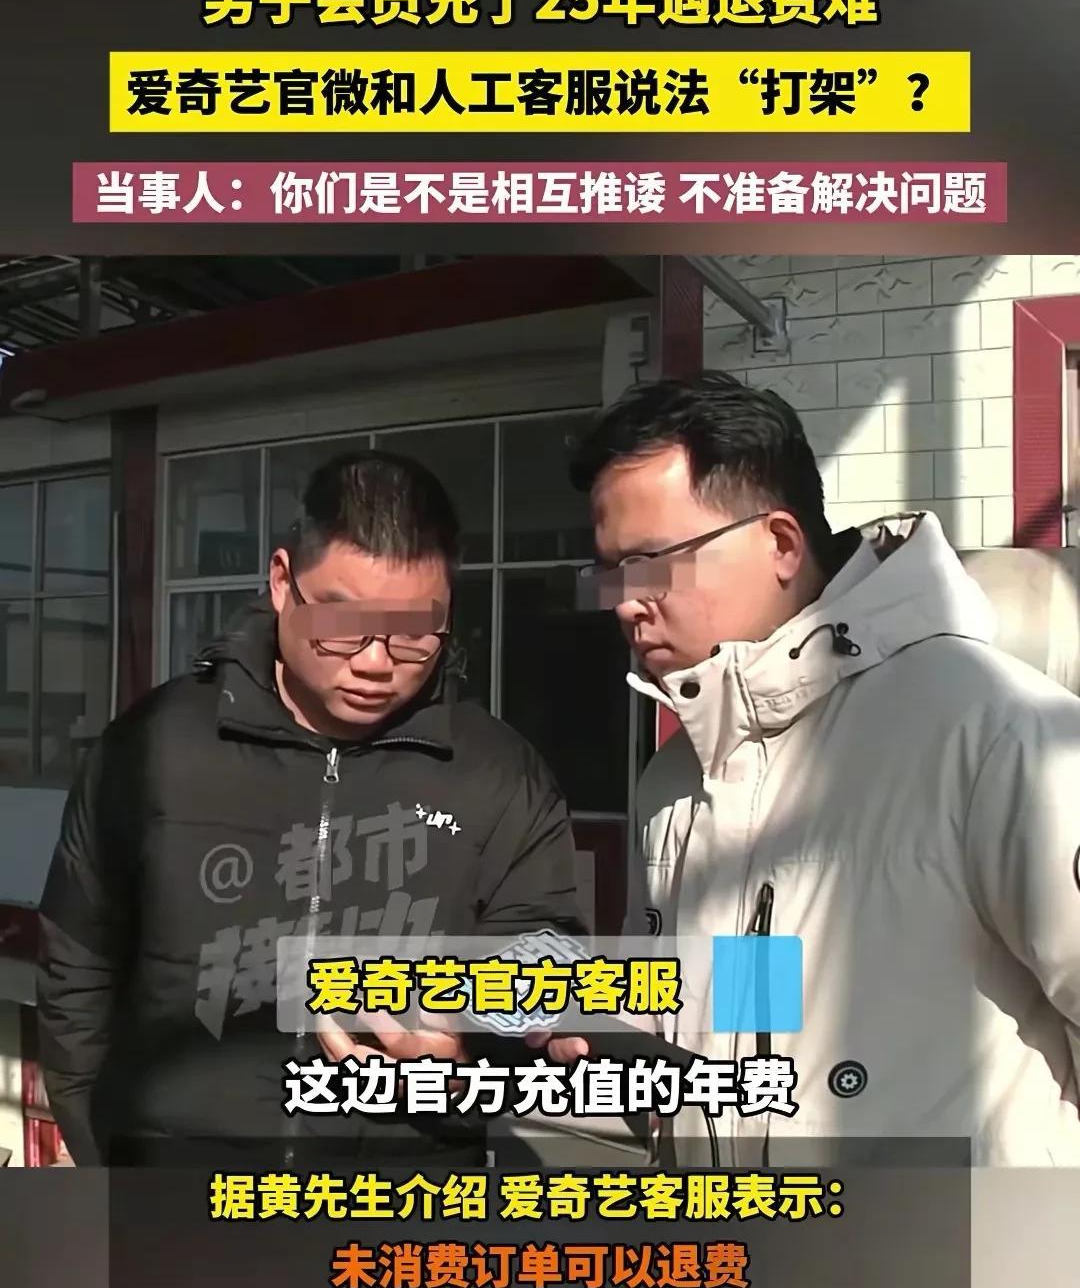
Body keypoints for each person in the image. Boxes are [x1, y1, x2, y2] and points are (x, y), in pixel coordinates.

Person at [555, 370, 1080, 1166]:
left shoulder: (997, 732)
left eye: (651, 563)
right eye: (611, 573)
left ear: (780, 543)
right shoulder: (679, 776)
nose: (628, 603)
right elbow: (749, 1015)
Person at [37, 450, 587, 1167]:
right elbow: (78, 963)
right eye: (344, 622)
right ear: (281, 581)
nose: (375, 662)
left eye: (415, 630)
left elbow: (546, 972)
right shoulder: (154, 748)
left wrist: (467, 1053)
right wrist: (100, 1152)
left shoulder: (499, 775)